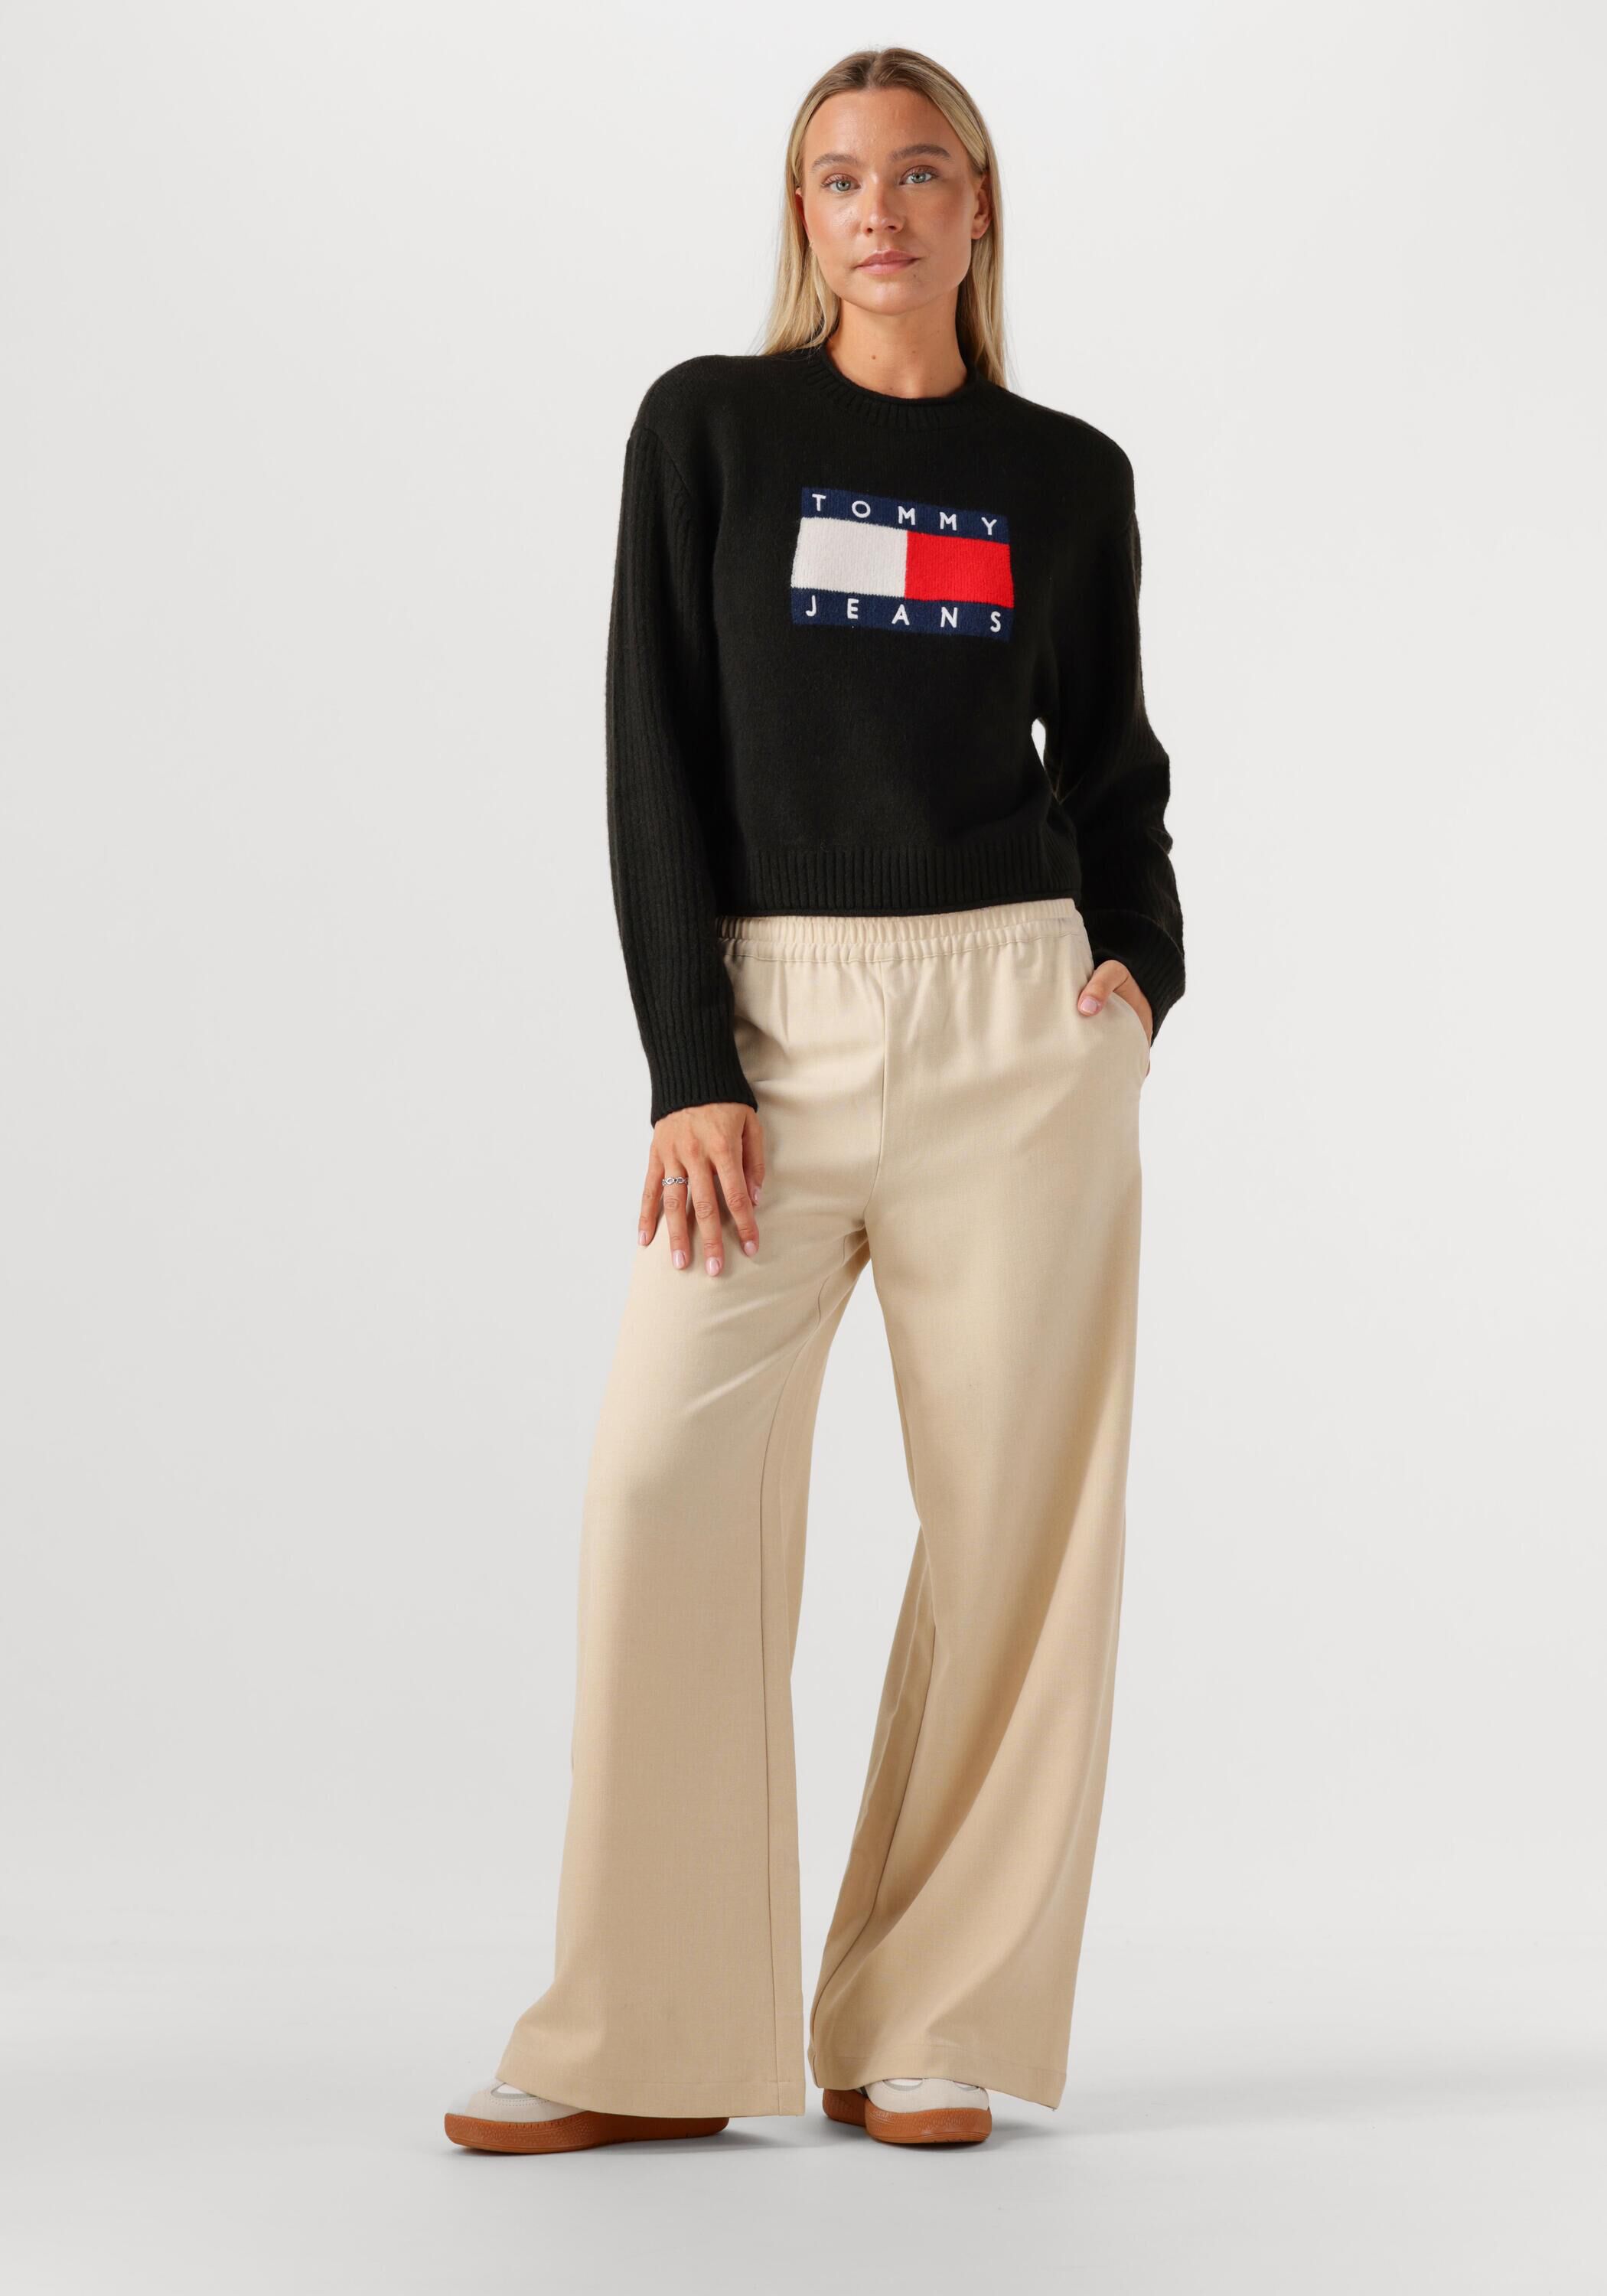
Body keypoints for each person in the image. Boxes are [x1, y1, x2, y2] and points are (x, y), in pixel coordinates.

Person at [445, 42, 1184, 2156]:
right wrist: (690, 1065)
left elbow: (1111, 763)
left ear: (978, 208)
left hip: (1014, 1030)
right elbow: (652, 749)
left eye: (921, 173)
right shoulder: (711, 426)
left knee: (1016, 1527)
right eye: (841, 177)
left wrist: (1138, 973)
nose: (880, 209)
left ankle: (926, 2018)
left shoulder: (1065, 474)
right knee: (659, 1491)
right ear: (802, 214)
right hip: (769, 1032)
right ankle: (642, 2042)